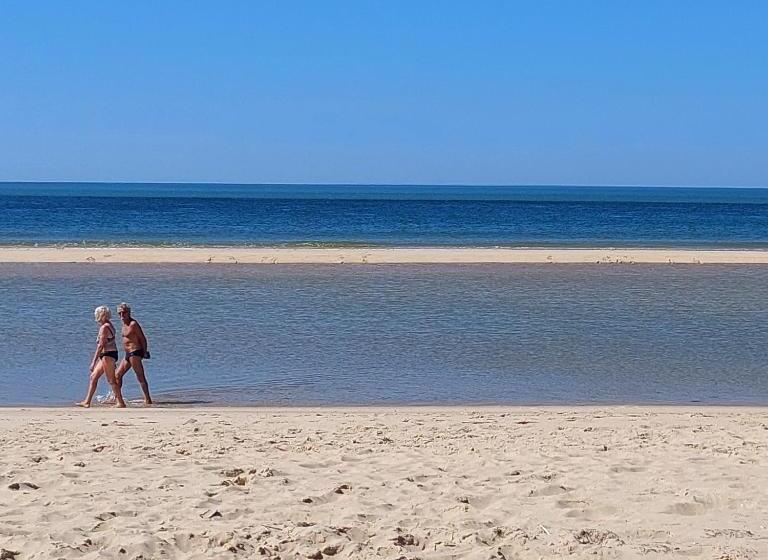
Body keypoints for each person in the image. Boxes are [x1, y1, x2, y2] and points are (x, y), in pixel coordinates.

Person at [77, 306, 127, 408]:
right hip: (108, 354)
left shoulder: (104, 328)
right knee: (93, 377)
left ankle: (120, 402)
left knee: (111, 380)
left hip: (108, 354)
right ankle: (87, 401)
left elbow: (101, 345)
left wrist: (93, 361)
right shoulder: (109, 325)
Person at [115, 302, 153, 405]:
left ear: (129, 313)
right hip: (127, 354)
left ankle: (148, 400)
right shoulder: (124, 325)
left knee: (140, 376)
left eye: (124, 313)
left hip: (135, 352)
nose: (122, 316)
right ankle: (118, 398)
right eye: (120, 314)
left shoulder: (133, 324)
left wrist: (144, 352)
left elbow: (143, 339)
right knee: (117, 375)